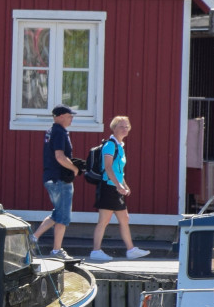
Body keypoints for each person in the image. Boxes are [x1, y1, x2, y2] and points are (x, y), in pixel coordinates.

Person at [89, 116, 152, 261]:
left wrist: (124, 184)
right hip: (108, 187)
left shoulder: (119, 146)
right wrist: (118, 186)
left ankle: (131, 249)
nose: (125, 129)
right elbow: (108, 167)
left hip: (116, 188)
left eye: (127, 126)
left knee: (124, 218)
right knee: (104, 220)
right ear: (114, 128)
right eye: (122, 126)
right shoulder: (110, 145)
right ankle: (96, 251)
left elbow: (118, 170)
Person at [32, 105, 78, 258]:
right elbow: (59, 156)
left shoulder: (52, 131)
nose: (71, 118)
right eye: (69, 115)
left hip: (51, 177)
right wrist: (74, 168)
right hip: (59, 179)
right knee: (63, 215)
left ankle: (51, 247)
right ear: (60, 116)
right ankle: (38, 241)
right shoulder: (59, 132)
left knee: (59, 213)